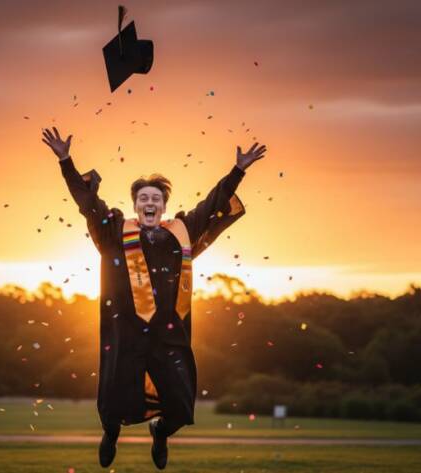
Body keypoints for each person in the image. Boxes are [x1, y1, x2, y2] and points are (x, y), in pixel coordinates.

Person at [41, 127, 266, 470]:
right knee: (112, 400)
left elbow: (212, 204)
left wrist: (238, 170)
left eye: (155, 199)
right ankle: (111, 433)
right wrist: (65, 161)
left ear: (163, 206)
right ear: (135, 205)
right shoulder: (115, 231)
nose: (149, 203)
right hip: (126, 332)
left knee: (180, 405)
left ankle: (160, 433)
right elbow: (88, 204)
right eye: (143, 198)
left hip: (168, 334)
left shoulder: (180, 233)